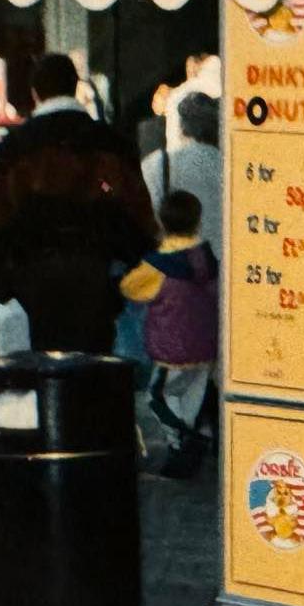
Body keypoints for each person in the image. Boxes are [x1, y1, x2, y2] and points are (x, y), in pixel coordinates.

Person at [0, 52, 155, 354]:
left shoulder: (16, 148)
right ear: (75, 87)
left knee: (44, 362)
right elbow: (135, 209)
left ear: (35, 93)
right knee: (94, 362)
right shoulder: (111, 142)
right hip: (98, 273)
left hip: (34, 277)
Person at [120, 189, 217, 479]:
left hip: (172, 351)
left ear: (162, 224)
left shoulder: (157, 266)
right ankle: (186, 455)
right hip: (206, 348)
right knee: (190, 400)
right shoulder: (209, 259)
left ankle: (187, 442)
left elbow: (129, 287)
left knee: (156, 397)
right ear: (198, 223)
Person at [142, 91, 222, 257]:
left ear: (181, 127)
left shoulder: (158, 163)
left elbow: (148, 218)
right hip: (224, 267)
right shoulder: (232, 165)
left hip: (177, 265)